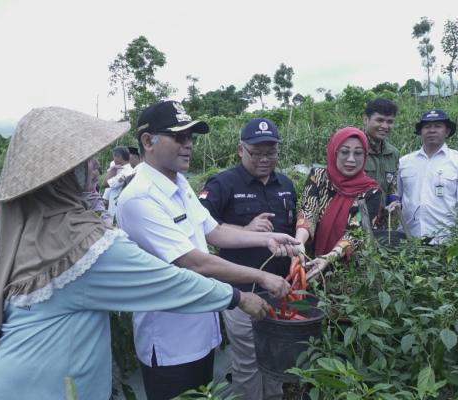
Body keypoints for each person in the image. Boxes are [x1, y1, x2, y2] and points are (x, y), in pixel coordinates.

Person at [0, 106, 272, 400]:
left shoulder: (41, 225)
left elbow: (211, 232)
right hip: (50, 384)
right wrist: (239, 297)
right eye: (86, 160)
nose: (98, 166)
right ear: (64, 175)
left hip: (35, 371)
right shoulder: (81, 244)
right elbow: (169, 280)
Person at [117, 101, 299, 400]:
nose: (188, 145)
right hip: (170, 340)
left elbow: (213, 231)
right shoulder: (139, 198)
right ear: (148, 141)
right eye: (179, 137)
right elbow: (192, 262)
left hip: (200, 329)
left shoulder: (179, 184)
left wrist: (267, 239)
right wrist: (261, 279)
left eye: (191, 137)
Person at [199, 117, 295, 400]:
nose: (265, 159)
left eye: (271, 152)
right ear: (241, 150)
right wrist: (245, 229)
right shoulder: (222, 184)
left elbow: (290, 230)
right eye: (257, 153)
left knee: (277, 357)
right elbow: (203, 229)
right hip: (242, 292)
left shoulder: (286, 184)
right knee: (249, 362)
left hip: (278, 290)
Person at [294, 127, 382, 279]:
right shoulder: (318, 177)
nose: (351, 159)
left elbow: (356, 232)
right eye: (344, 152)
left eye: (358, 153)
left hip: (348, 271)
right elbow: (309, 210)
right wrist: (299, 241)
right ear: (334, 152)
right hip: (308, 263)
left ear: (365, 155)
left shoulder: (371, 192)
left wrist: (329, 257)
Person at [397, 109, 458, 243]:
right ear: (420, 132)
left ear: (447, 131)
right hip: (408, 239)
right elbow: (397, 198)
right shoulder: (404, 162)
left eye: (438, 126)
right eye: (427, 126)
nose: (432, 130)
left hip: (445, 241)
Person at [362, 98, 400, 202]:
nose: (385, 126)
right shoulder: (354, 149)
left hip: (382, 216)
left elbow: (393, 186)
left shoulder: (393, 153)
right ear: (366, 119)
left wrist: (394, 202)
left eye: (390, 122)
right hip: (356, 215)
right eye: (379, 120)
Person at [102, 146, 134, 221]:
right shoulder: (126, 170)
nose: (114, 160)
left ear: (119, 157)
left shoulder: (125, 172)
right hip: (117, 210)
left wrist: (112, 169)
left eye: (114, 157)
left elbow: (105, 184)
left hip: (116, 212)